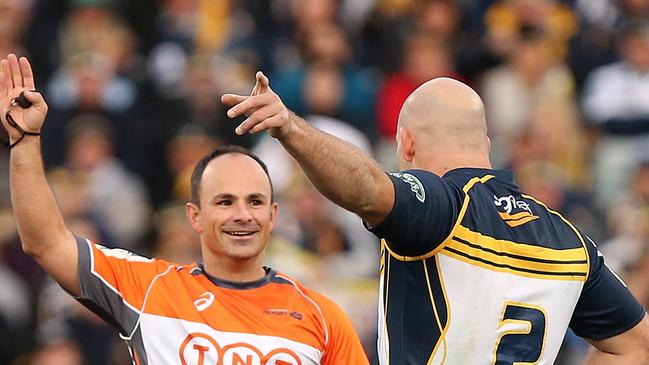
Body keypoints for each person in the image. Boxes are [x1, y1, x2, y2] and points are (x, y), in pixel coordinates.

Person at [222, 71, 649, 364]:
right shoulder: (570, 239)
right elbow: (635, 347)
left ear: (406, 145)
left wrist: (291, 129)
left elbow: (369, 190)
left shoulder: (443, 209)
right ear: (483, 142)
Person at [0, 54, 369, 365]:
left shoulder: (323, 317)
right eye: (224, 201)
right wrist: (24, 140)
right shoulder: (149, 289)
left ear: (273, 216)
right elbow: (46, 242)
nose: (242, 214)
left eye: (254, 201)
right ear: (194, 215)